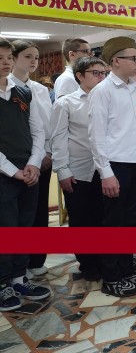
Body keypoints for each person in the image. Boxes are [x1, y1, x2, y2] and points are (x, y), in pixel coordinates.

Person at [88, 36, 136, 297]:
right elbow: (97, 136)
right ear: (116, 61)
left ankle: (127, 269)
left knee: (131, 221)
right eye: (134, 58)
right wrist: (106, 173)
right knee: (114, 223)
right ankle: (111, 275)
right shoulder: (102, 92)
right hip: (115, 166)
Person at [0, 36, 49, 312]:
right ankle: (3, 282)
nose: (6, 62)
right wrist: (13, 171)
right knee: (6, 229)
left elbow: (37, 131)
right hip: (5, 173)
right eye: (0, 58)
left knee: (25, 226)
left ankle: (19, 278)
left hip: (28, 170)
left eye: (8, 57)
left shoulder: (23, 92)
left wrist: (33, 163)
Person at [51, 57, 108, 282]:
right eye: (96, 73)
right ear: (80, 76)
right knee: (82, 220)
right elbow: (58, 138)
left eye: (104, 73)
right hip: (78, 170)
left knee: (103, 218)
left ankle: (104, 259)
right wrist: (63, 170)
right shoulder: (66, 103)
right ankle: (87, 263)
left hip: (105, 170)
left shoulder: (107, 99)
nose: (101, 77)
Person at [9, 40, 53, 278]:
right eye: (27, 56)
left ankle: (35, 260)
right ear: (14, 58)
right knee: (14, 216)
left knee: (38, 212)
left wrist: (47, 153)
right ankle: (15, 267)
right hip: (13, 161)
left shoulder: (40, 89)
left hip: (41, 158)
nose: (34, 61)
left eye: (36, 56)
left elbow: (46, 126)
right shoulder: (7, 87)